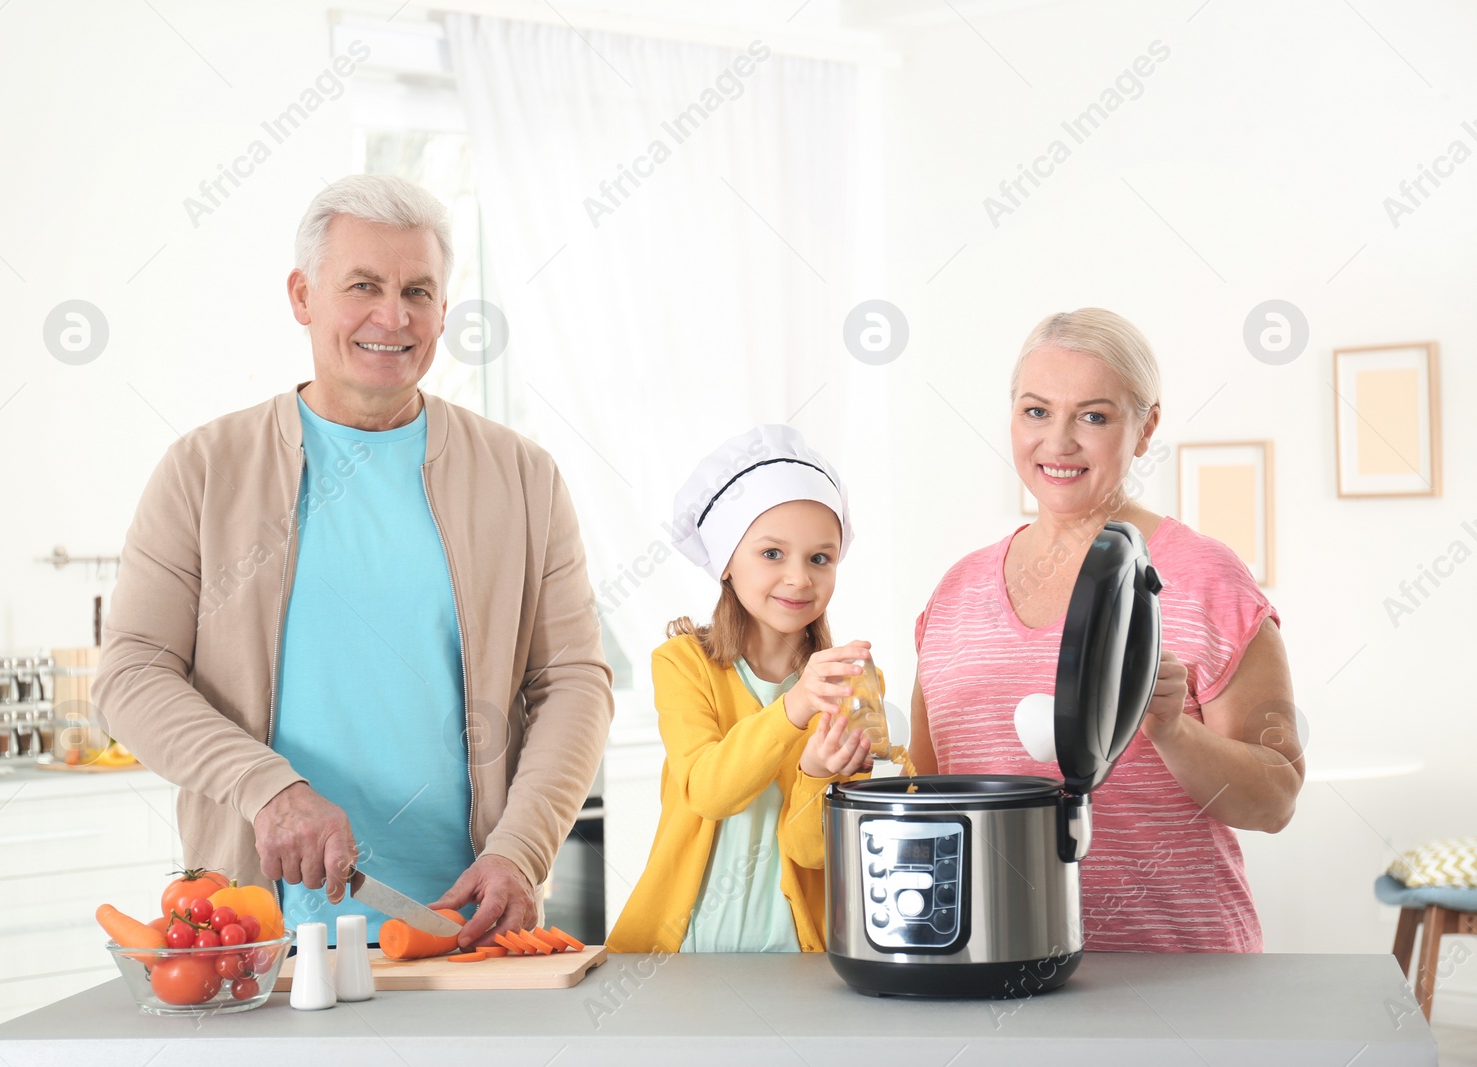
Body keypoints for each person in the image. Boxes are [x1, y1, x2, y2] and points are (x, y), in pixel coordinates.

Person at [94, 174, 612, 948]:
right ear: (302, 295)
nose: (392, 316)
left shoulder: (522, 476)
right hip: (258, 935)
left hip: (464, 927)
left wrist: (521, 846)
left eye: (419, 291)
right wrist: (267, 789)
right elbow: (131, 671)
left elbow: (573, 679)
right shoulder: (204, 469)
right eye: (363, 285)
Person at [910, 308, 1303, 953]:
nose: (1059, 442)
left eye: (1094, 416)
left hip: (1178, 983)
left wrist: (1171, 730)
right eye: (1036, 412)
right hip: (989, 970)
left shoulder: (1205, 578)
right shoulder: (955, 593)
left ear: (1145, 427)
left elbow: (1275, 797)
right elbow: (929, 797)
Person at [608, 426, 875, 954]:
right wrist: (796, 708)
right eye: (772, 553)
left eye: (821, 558)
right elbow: (710, 791)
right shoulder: (684, 665)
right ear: (727, 561)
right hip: (686, 955)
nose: (799, 578)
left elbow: (816, 852)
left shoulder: (851, 684)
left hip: (802, 958)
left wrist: (818, 774)